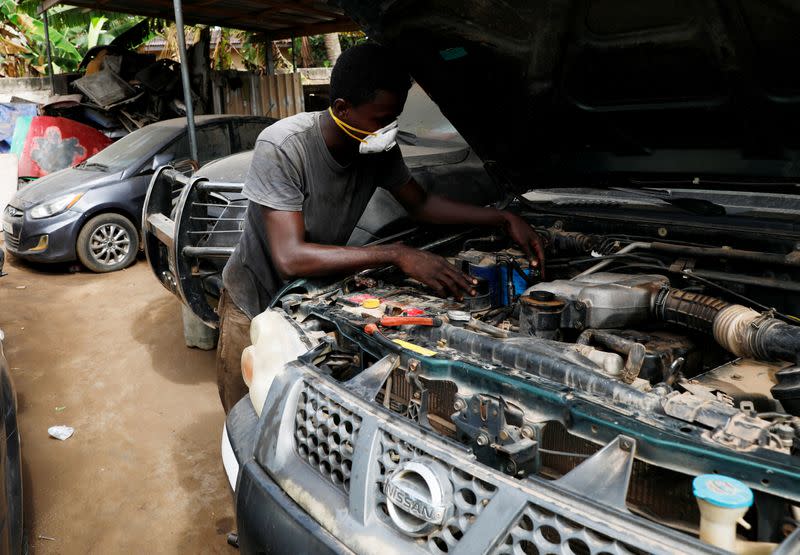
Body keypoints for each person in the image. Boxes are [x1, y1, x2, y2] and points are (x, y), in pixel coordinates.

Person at [216, 43, 544, 412]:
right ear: (341, 109)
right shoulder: (283, 146)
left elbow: (420, 205)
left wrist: (504, 217)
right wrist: (398, 254)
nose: (390, 129)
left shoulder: (377, 148)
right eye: (381, 118)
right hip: (257, 296)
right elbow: (289, 257)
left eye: (395, 118)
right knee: (248, 408)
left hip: (312, 295)